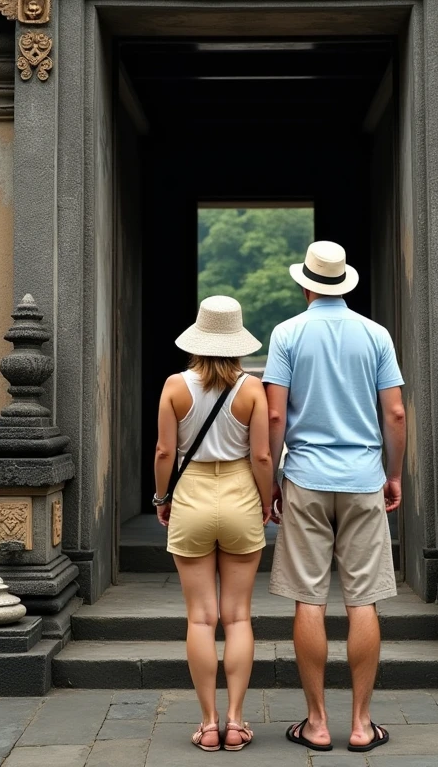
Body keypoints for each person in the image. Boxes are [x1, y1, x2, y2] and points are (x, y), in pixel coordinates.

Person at [264, 240, 406, 753]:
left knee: (310, 598)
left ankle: (317, 723)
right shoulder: (375, 334)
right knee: (363, 599)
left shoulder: (286, 334)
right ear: (344, 284)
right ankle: (363, 725)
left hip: (305, 477)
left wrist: (272, 480)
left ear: (305, 285)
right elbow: (395, 413)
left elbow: (275, 414)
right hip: (364, 477)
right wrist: (394, 474)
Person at [153, 295, 274, 752]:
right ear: (238, 341)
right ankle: (237, 722)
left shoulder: (174, 386)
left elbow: (165, 452)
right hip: (241, 495)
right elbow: (262, 455)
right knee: (238, 616)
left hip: (192, 498)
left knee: (201, 619)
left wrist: (161, 498)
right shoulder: (252, 389)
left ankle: (207, 724)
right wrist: (267, 499)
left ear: (197, 338)